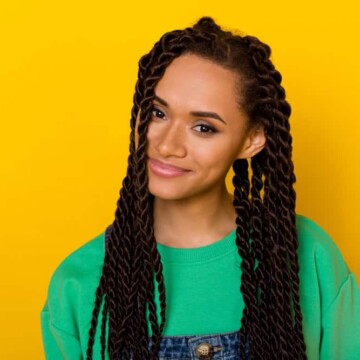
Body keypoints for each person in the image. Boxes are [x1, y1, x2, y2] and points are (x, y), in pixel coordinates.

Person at [41, 17, 360, 360]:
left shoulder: (308, 256)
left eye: (203, 127)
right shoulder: (78, 282)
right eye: (157, 113)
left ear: (252, 140)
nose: (167, 146)